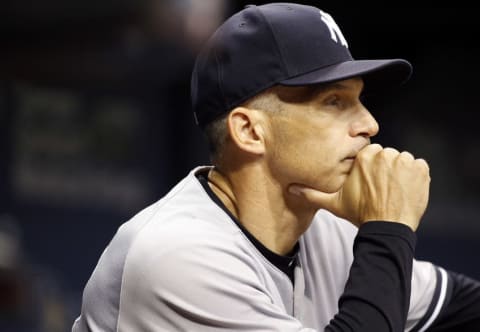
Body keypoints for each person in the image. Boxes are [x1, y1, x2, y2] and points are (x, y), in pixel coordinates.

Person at [72, 3, 480, 331]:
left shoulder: (323, 230)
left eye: (360, 99)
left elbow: (464, 305)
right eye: (334, 102)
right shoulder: (177, 255)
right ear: (249, 131)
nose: (370, 124)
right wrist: (388, 229)